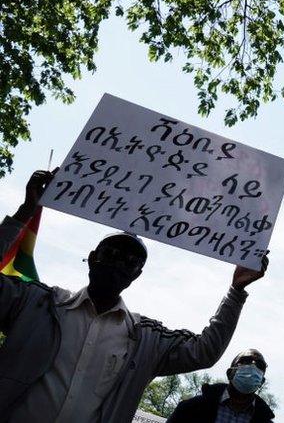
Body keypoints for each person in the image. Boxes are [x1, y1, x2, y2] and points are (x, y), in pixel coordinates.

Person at [0, 169, 269, 423]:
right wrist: (25, 213)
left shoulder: (146, 339)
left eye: (130, 261)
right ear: (93, 259)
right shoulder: (37, 303)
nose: (119, 263)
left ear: (136, 275)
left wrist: (236, 290)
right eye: (112, 254)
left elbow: (204, 351)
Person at [167, 348, 275, 423]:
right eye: (245, 361)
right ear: (229, 373)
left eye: (259, 365)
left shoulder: (264, 421)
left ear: (261, 382)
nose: (252, 366)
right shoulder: (190, 409)